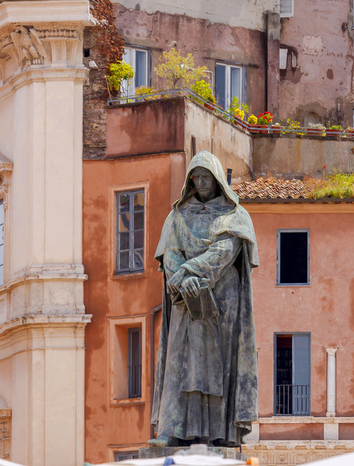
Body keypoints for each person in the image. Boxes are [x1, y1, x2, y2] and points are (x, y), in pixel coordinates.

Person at [150, 151, 258, 447]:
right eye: (195, 177)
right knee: (180, 361)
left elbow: (225, 250)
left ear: (218, 179)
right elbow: (169, 252)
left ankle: (220, 432)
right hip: (185, 298)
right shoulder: (177, 217)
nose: (200, 182)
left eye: (205, 177)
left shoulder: (236, 216)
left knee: (218, 366)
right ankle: (173, 428)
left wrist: (187, 272)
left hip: (222, 302)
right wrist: (183, 279)